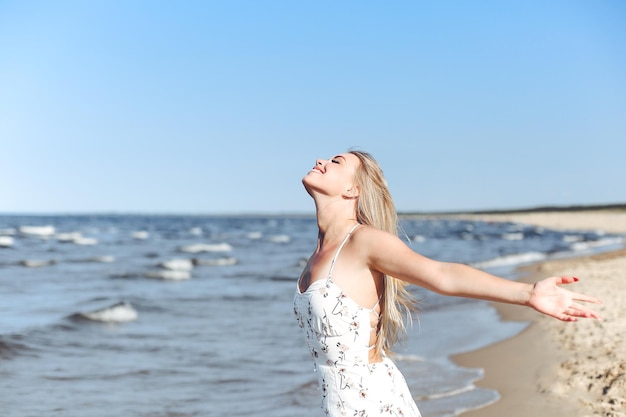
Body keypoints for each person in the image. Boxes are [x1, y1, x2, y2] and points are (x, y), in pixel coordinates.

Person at [293, 149, 603, 417]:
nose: (321, 160)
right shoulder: (317, 255)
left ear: (352, 190)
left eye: (335, 161)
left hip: (372, 403)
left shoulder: (364, 242)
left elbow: (442, 274)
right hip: (338, 404)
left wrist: (527, 293)